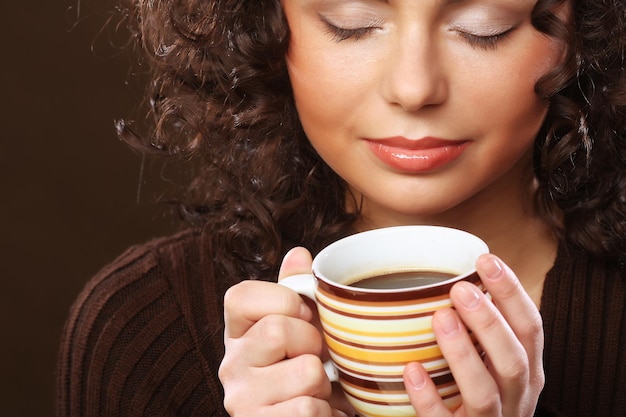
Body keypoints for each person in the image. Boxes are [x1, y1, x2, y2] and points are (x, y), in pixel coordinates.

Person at [56, 0, 626, 416]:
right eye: (351, 23)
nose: (413, 87)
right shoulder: (141, 332)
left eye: (484, 30)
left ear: (584, 28)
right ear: (267, 24)